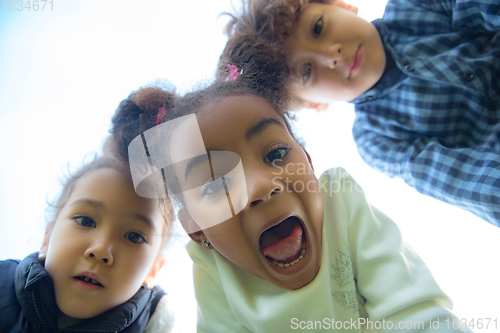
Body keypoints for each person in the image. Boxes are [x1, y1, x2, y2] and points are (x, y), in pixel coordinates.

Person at [110, 72, 471, 332]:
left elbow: (415, 313)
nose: (261, 187)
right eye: (217, 182)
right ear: (196, 229)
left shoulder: (340, 206)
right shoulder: (214, 273)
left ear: (310, 165)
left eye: (276, 153)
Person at [217, 0, 500, 227]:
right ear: (315, 104)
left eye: (318, 28)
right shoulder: (376, 138)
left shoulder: (416, 6)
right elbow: (463, 180)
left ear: (341, 5)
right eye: (307, 71)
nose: (332, 55)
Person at [0, 156, 174, 332]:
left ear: (153, 270)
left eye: (134, 237)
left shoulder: (154, 325)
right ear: (48, 237)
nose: (101, 250)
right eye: (85, 221)